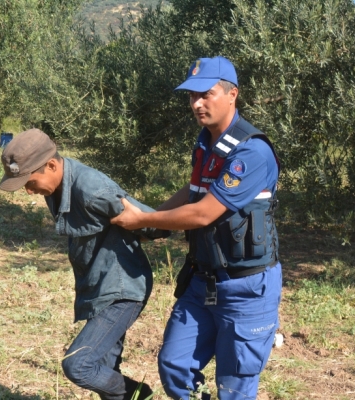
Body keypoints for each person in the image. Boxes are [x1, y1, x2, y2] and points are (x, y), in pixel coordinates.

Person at [110, 56, 282, 400]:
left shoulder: (252, 152)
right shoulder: (206, 144)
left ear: (233, 95)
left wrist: (143, 219)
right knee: (175, 366)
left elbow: (204, 213)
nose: (197, 103)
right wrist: (154, 218)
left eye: (206, 94)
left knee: (234, 387)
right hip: (202, 282)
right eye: (191, 96)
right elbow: (194, 191)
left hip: (246, 289)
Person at [0, 129, 169, 400]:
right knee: (103, 370)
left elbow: (151, 220)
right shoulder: (55, 185)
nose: (29, 191)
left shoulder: (92, 189)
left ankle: (141, 395)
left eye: (29, 182)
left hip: (122, 290)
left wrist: (142, 226)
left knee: (79, 365)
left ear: (51, 165)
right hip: (98, 286)